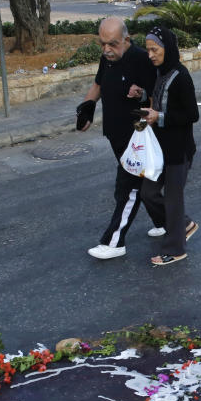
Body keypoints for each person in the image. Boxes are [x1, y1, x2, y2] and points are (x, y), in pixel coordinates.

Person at [77, 16, 164, 260]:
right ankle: (171, 223)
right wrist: (86, 106)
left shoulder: (140, 59)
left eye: (112, 44)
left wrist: (142, 95)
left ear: (126, 40)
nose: (106, 50)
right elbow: (98, 84)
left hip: (135, 136)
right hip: (115, 134)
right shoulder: (108, 58)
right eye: (102, 44)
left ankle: (114, 241)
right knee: (141, 187)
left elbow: (155, 98)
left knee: (128, 189)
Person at [140, 25, 200, 267]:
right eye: (148, 50)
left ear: (168, 48)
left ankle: (175, 249)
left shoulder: (181, 76)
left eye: (155, 50)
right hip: (159, 148)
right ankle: (182, 224)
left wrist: (160, 118)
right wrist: (142, 97)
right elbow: (158, 99)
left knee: (174, 199)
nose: (151, 55)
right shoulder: (160, 73)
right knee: (148, 193)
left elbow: (192, 114)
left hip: (178, 150)